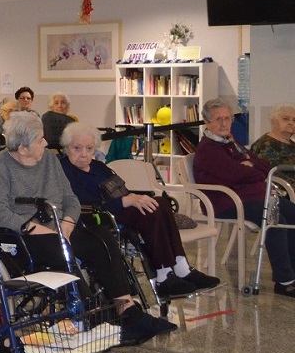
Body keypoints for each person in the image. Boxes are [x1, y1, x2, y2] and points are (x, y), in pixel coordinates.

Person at [0, 113, 175, 344]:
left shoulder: (49, 160)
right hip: (22, 237)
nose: (46, 143)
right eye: (40, 140)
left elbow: (71, 199)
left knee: (101, 238)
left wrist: (67, 224)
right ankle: (93, 316)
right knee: (59, 249)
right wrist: (37, 229)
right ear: (23, 148)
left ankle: (127, 310)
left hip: (60, 229)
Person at [60, 122, 220, 299]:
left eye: (89, 148)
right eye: (77, 148)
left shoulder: (99, 167)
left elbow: (121, 189)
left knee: (160, 203)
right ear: (66, 148)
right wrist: (126, 201)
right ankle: (164, 276)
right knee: (151, 211)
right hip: (97, 217)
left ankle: (181, 267)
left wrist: (135, 197)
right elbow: (79, 203)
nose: (84, 154)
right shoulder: (63, 170)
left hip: (118, 208)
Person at [193, 98, 295, 298]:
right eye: (218, 119)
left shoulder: (231, 143)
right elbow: (237, 174)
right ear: (207, 122)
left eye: (228, 118)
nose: (224, 123)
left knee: (292, 213)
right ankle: (284, 282)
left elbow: (264, 166)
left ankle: (292, 273)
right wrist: (249, 168)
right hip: (226, 202)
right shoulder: (208, 149)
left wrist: (250, 165)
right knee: (274, 218)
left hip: (249, 197)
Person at [251, 102, 295, 181]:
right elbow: (274, 176)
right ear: (273, 121)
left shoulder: (292, 144)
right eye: (285, 119)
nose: (291, 123)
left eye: (294, 120)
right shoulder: (265, 145)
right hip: (282, 187)